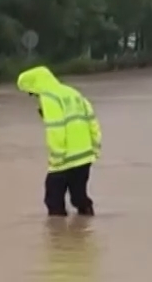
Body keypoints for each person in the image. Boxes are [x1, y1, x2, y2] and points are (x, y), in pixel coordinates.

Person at [16, 65, 100, 217]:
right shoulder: (72, 93)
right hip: (85, 156)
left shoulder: (49, 98)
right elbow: (92, 121)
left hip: (64, 159)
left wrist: (56, 157)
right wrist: (96, 148)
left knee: (53, 201)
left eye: (30, 92)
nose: (32, 96)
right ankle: (84, 228)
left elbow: (56, 128)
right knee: (79, 197)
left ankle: (57, 237)